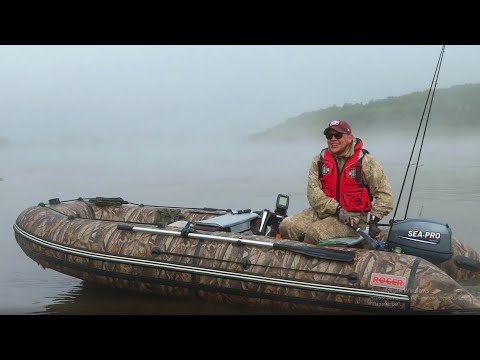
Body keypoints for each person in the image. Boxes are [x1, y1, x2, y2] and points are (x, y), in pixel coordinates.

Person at [279, 119, 393, 245]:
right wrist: (337, 209)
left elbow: (384, 194)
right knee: (287, 225)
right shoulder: (319, 161)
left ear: (350, 138)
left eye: (338, 135)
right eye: (329, 136)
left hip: (352, 219)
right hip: (321, 212)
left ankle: (315, 261)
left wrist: (374, 220)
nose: (333, 139)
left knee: (315, 233)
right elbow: (313, 194)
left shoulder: (367, 162)